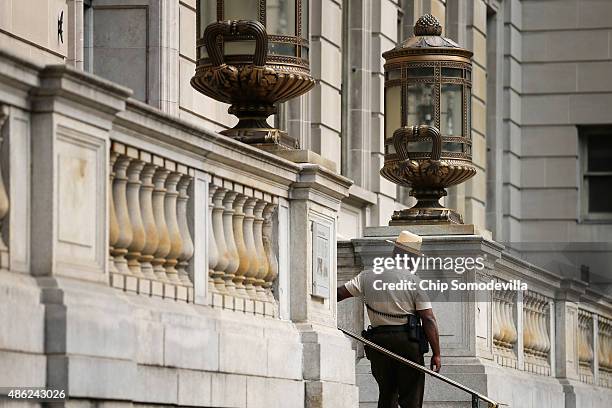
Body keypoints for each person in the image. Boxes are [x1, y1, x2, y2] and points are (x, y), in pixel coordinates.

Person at [337, 230, 441, 408]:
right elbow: (428, 319)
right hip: (407, 342)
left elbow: (338, 293)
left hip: (378, 342)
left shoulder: (367, 276)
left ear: (395, 252)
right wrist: (436, 353)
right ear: (412, 258)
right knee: (411, 397)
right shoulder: (414, 281)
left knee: (386, 393)